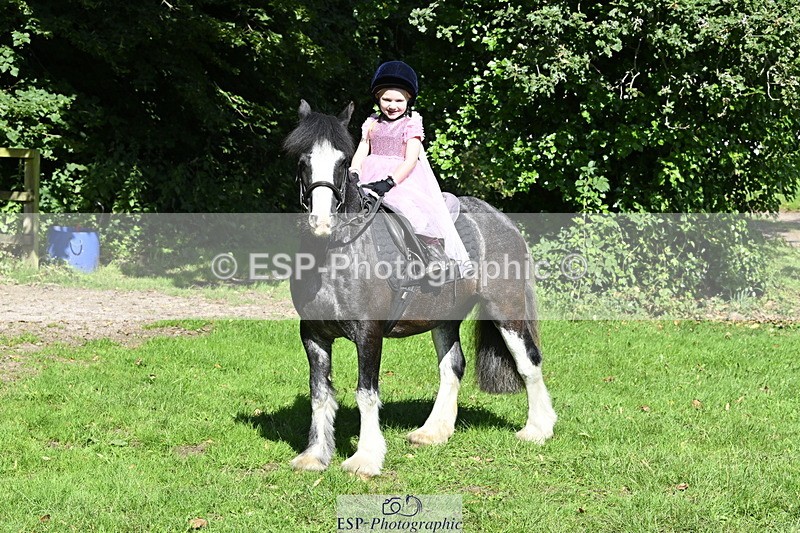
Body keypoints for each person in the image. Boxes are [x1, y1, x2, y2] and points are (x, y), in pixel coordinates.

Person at [349, 60, 472, 277]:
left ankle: (434, 252)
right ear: (378, 98)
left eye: (399, 100)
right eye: (386, 99)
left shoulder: (411, 124)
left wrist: (390, 182)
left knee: (411, 211)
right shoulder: (371, 123)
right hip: (370, 175)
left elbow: (411, 160)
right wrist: (355, 169)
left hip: (400, 179)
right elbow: (363, 146)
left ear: (408, 100)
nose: (392, 105)